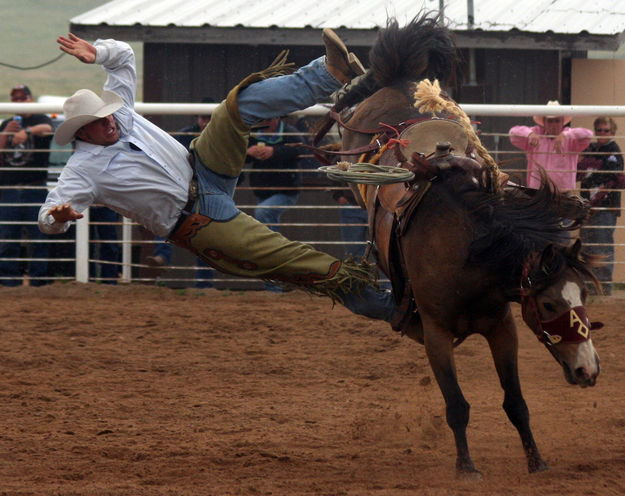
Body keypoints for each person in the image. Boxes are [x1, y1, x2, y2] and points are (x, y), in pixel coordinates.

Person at [38, 31, 402, 327]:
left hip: (204, 165)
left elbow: (124, 57)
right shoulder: (81, 172)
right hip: (199, 222)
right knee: (296, 261)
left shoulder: (120, 112)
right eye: (100, 122)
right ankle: (393, 310)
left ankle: (327, 74)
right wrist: (59, 217)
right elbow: (47, 216)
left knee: (235, 107)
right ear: (82, 134)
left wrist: (97, 52)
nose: (110, 120)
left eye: (107, 114)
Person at [146, 98, 216, 288]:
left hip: (209, 194)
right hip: (185, 191)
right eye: (203, 118)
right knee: (168, 220)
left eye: (210, 118)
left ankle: (203, 283)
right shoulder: (185, 136)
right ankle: (162, 258)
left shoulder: (217, 137)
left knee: (204, 234)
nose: (206, 122)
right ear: (198, 118)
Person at [0, 85, 53, 286]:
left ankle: (39, 281)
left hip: (34, 187)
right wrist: (6, 133)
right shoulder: (7, 123)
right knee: (7, 237)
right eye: (15, 99)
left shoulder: (40, 118)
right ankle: (8, 281)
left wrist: (27, 131)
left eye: (22, 98)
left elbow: (48, 129)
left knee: (38, 236)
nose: (19, 102)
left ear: (31, 99)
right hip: (10, 190)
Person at [248, 117, 303, 291]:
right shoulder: (252, 135)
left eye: (269, 119)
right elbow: (236, 154)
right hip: (262, 191)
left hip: (286, 191)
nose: (265, 123)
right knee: (264, 234)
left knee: (263, 214)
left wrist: (274, 152)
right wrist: (248, 152)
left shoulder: (290, 133)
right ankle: (275, 281)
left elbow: (299, 151)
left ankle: (276, 268)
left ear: (277, 118)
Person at [577, 116, 625, 295]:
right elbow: (579, 172)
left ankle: (603, 289)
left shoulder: (614, 150)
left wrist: (591, 172)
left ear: (612, 132)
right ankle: (589, 288)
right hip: (586, 207)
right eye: (599, 130)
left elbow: (612, 175)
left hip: (605, 208)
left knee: (602, 246)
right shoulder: (589, 148)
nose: (602, 134)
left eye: (606, 130)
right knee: (586, 246)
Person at [509, 100, 592, 191]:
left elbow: (588, 134)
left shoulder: (570, 137)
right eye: (550, 121)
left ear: (562, 122)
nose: (554, 125)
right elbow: (513, 133)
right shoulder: (536, 134)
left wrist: (565, 135)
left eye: (557, 121)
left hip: (563, 191)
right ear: (544, 122)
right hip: (538, 190)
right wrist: (529, 134)